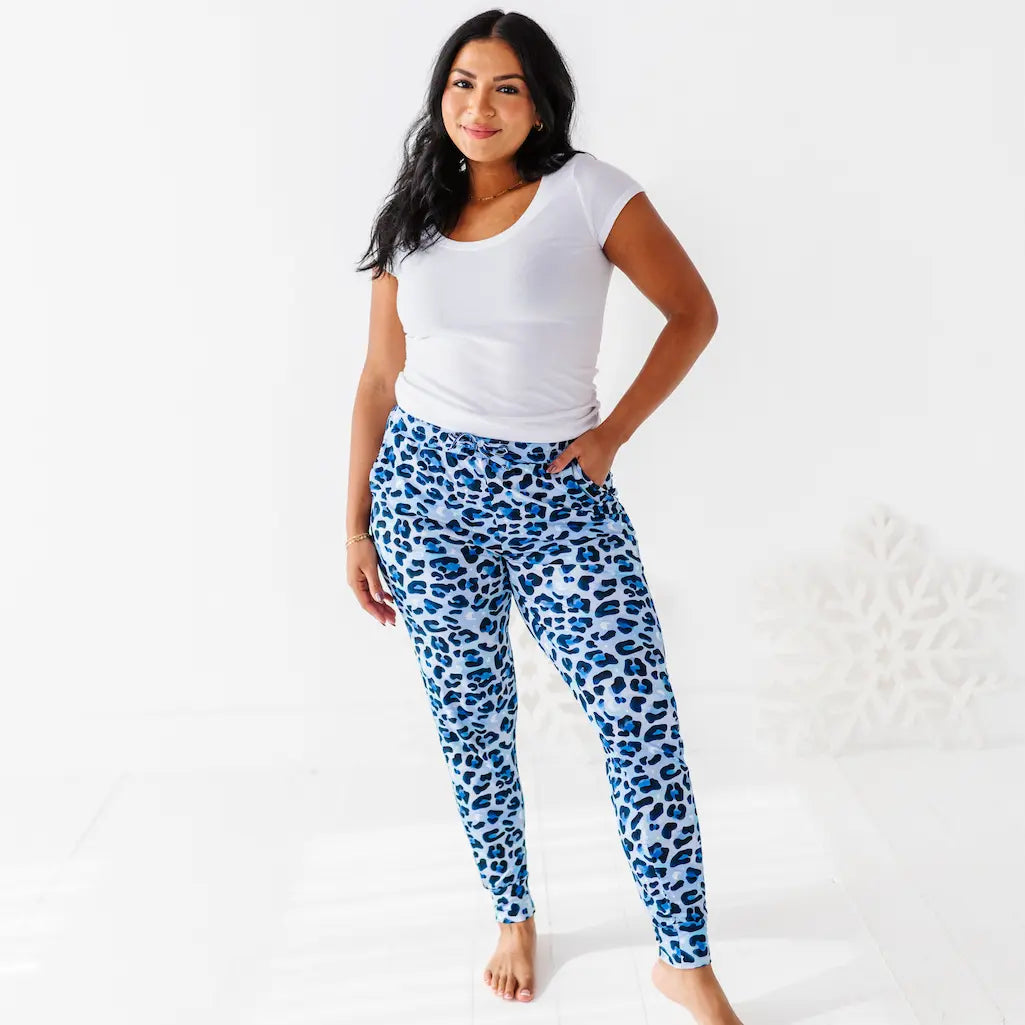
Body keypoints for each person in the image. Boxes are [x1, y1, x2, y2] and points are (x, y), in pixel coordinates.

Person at [348, 11, 743, 1025]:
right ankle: (512, 913)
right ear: (441, 96)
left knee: (637, 720)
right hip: (422, 497)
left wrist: (609, 437)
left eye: (506, 88)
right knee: (471, 723)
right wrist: (355, 524)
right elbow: (379, 378)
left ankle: (682, 955)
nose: (479, 108)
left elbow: (691, 312)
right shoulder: (412, 216)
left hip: (558, 495)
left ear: (541, 100)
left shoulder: (587, 193)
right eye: (463, 85)